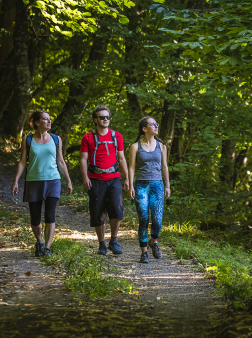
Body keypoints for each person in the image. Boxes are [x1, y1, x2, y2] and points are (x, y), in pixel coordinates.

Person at [11, 110, 73, 257]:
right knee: (35, 218)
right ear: (37, 123)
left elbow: (61, 161)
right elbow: (22, 161)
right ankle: (39, 241)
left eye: (49, 119)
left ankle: (47, 248)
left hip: (53, 180)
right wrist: (16, 181)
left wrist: (69, 181)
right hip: (33, 181)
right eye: (45, 119)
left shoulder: (56, 139)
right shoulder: (28, 139)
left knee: (50, 216)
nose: (49, 121)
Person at [79, 105, 130, 255]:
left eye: (107, 117)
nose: (105, 119)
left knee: (117, 208)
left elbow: (121, 158)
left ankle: (113, 241)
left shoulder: (116, 136)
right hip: (95, 179)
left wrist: (127, 178)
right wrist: (85, 177)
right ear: (95, 120)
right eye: (102, 117)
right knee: (98, 212)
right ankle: (101, 244)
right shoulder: (87, 137)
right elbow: (83, 159)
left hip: (114, 178)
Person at [127, 116, 171, 264]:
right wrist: (131, 184)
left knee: (157, 220)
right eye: (153, 124)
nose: (156, 126)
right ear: (144, 129)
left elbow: (165, 167)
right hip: (141, 185)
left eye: (157, 124)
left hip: (157, 185)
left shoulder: (162, 146)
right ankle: (144, 251)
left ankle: (154, 241)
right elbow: (131, 167)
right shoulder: (135, 147)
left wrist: (167, 185)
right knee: (144, 218)